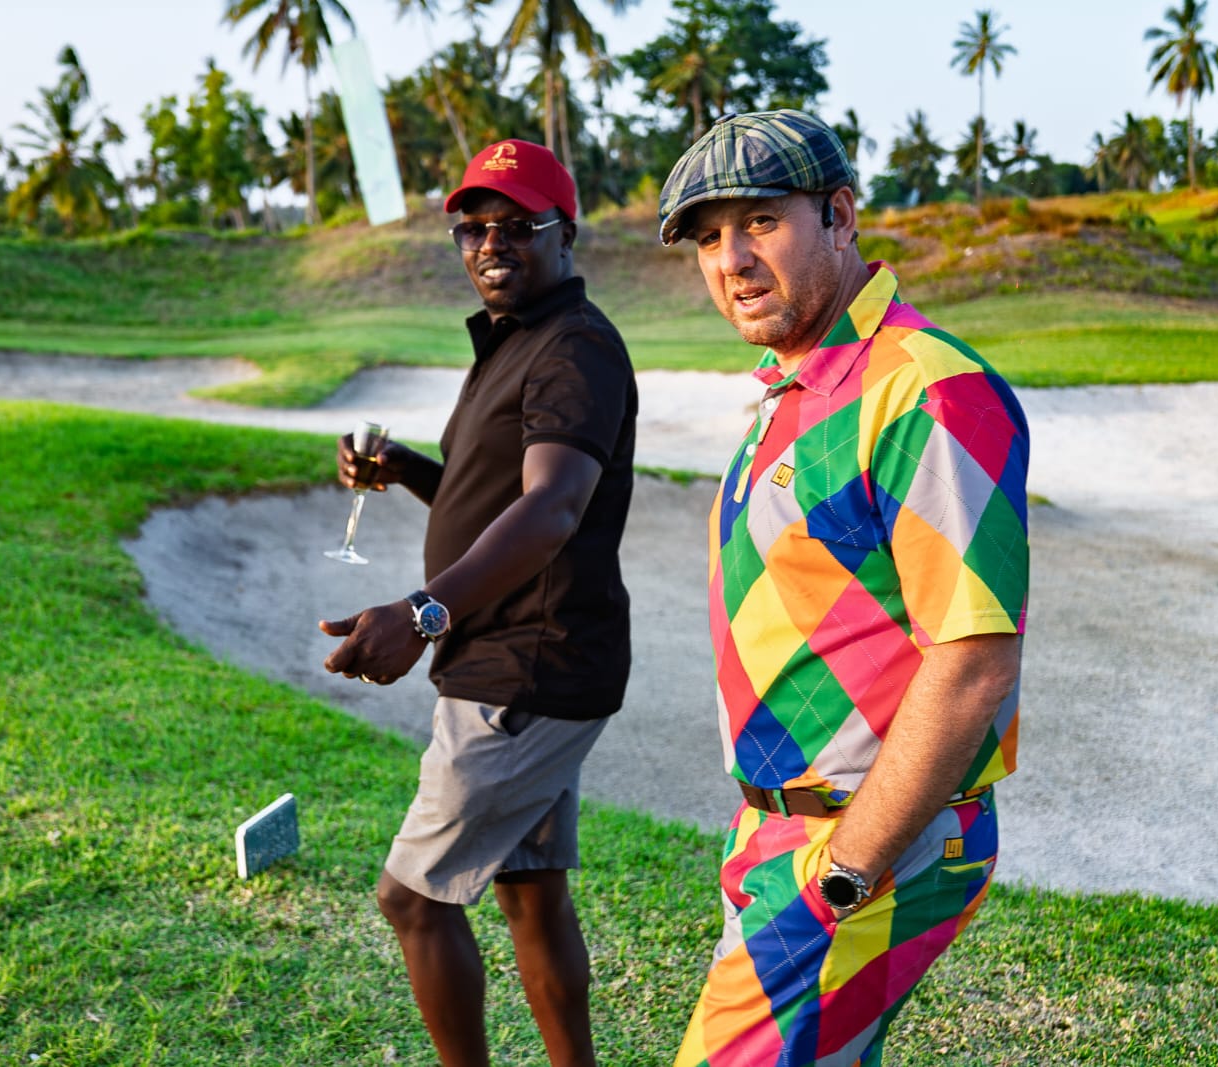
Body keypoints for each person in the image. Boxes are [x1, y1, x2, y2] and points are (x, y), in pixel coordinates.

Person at [657, 110, 1030, 1066]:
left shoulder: (924, 389)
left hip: (864, 838)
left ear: (840, 215)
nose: (732, 260)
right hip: (787, 830)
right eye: (707, 238)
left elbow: (975, 663)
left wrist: (847, 871)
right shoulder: (800, 383)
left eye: (760, 222)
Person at [318, 138, 637, 1067]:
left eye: (517, 225)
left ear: (566, 233)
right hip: (526, 653)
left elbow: (554, 507)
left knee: (411, 898)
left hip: (525, 662)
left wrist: (423, 612)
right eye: (473, 228)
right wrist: (408, 469)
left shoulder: (574, 347)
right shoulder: (517, 338)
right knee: (530, 892)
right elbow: (496, 491)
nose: (491, 243)